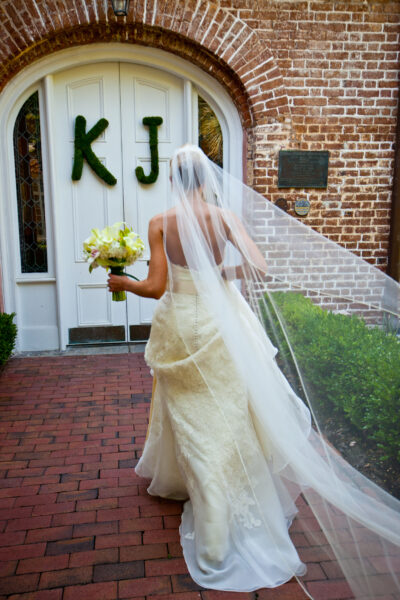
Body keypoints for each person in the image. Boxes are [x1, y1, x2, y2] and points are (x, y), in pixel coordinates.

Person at [108, 144, 400, 599]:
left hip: (180, 325)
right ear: (205, 179)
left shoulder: (160, 223)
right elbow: (259, 265)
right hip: (222, 325)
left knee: (188, 416)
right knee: (226, 414)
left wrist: (123, 282)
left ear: (173, 180)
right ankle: (219, 511)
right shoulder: (223, 218)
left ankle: (212, 520)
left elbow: (156, 286)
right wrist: (222, 272)